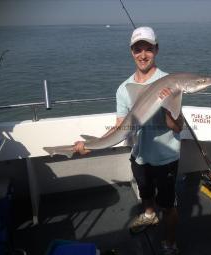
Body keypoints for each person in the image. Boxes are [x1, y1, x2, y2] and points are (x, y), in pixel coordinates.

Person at [74, 26, 183, 255]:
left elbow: (177, 127)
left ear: (157, 50)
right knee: (145, 194)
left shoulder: (170, 82)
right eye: (138, 49)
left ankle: (170, 243)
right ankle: (149, 215)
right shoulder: (124, 89)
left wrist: (167, 107)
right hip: (139, 155)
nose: (143, 55)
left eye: (148, 49)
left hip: (165, 159)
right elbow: (119, 127)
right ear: (131, 52)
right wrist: (90, 145)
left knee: (169, 205)